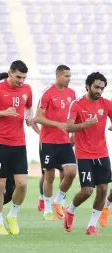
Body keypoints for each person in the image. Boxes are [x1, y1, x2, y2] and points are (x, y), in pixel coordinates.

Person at [0, 60, 33, 236]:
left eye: (24, 78)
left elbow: (28, 108)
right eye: (18, 77)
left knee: (23, 185)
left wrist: (29, 118)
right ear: (10, 73)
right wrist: (3, 112)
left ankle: (13, 215)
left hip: (19, 142)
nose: (21, 81)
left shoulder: (27, 89)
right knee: (0, 185)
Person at [64, 72, 112, 236]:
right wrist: (84, 124)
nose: (99, 90)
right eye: (96, 87)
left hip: (102, 153)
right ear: (88, 86)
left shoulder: (107, 104)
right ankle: (70, 210)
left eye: (102, 88)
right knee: (87, 191)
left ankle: (91, 226)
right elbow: (68, 127)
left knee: (103, 189)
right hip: (84, 154)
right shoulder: (77, 104)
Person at [34, 65, 77, 220]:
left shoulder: (72, 93)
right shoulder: (47, 93)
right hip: (48, 142)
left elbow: (74, 117)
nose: (68, 79)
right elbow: (37, 118)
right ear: (58, 76)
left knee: (71, 172)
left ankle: (58, 200)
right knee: (49, 176)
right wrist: (57, 124)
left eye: (70, 76)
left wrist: (73, 134)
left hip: (65, 141)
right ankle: (47, 208)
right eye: (66, 76)